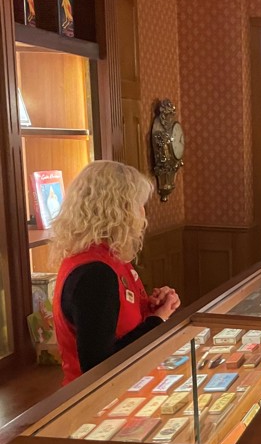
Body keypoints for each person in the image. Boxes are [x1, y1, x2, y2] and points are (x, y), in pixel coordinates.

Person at [51, 161, 180, 385]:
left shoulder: (107, 258)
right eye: (138, 205)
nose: (143, 213)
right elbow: (99, 364)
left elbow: (117, 322)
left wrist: (151, 309)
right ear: (118, 211)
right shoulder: (95, 273)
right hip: (100, 395)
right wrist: (157, 320)